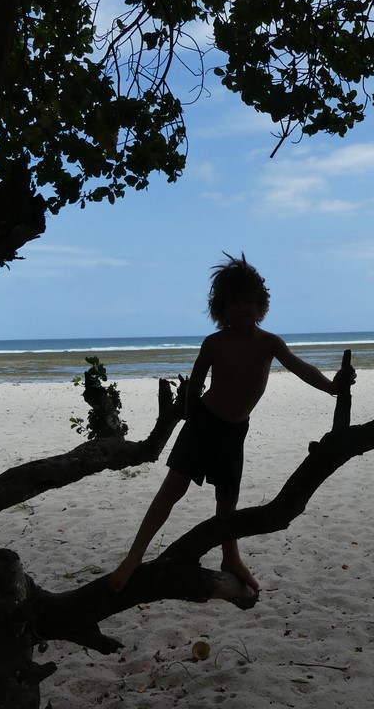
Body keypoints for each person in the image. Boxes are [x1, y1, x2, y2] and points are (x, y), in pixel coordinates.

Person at [108, 253, 355, 592]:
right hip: (203, 424)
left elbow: (300, 368)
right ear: (221, 307)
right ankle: (134, 557)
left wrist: (331, 387)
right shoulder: (214, 343)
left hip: (235, 431)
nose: (242, 308)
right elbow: (195, 383)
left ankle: (231, 557)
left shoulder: (269, 342)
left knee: (227, 500)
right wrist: (190, 418)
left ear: (260, 304)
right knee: (172, 489)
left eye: (249, 301)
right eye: (234, 302)